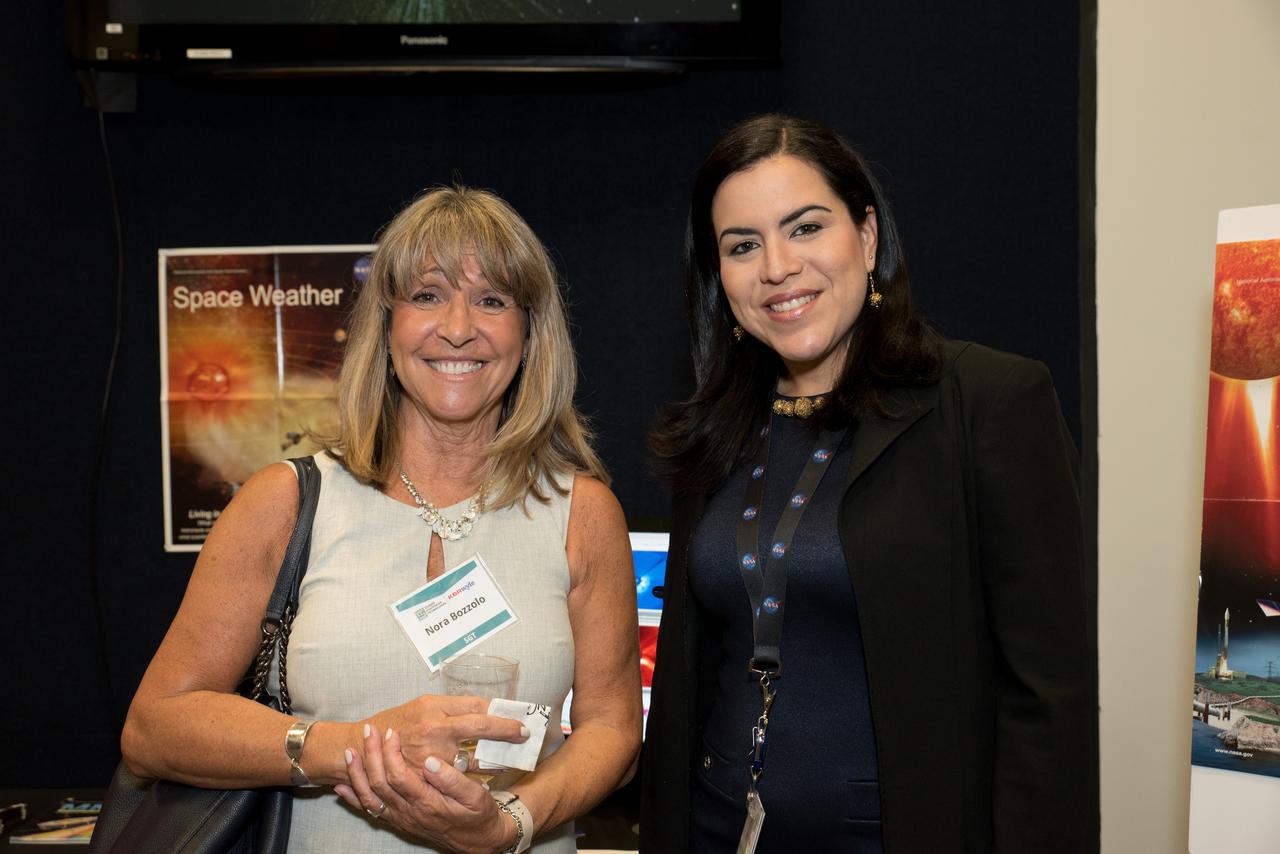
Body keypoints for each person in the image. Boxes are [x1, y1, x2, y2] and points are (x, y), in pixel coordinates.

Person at [122, 186, 643, 854]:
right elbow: (154, 728)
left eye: (492, 300)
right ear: (387, 324)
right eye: (428, 295)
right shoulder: (286, 502)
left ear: (529, 332)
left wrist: (507, 824)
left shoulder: (581, 513)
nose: (458, 327)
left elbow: (613, 731)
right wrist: (350, 748)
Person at [640, 114, 1096, 853]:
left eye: (806, 227)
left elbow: (1049, 702)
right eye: (743, 245)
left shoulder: (989, 403)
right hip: (720, 833)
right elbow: (687, 686)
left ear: (868, 235)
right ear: (718, 277)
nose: (777, 267)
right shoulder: (715, 432)